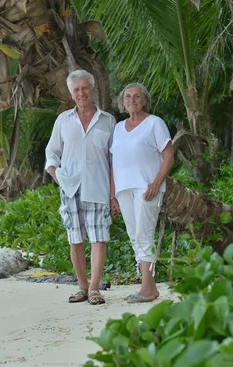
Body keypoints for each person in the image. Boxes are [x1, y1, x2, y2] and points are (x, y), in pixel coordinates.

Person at [45, 70, 116, 305]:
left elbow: (114, 160)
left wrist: (113, 195)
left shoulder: (108, 120)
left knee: (99, 238)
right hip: (71, 187)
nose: (81, 93)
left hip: (98, 186)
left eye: (85, 88)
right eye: (76, 90)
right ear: (71, 93)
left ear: (92, 89)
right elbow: (51, 152)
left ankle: (95, 288)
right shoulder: (63, 120)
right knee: (75, 238)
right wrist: (56, 174)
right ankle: (82, 287)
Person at [109, 83, 174, 303]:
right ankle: (150, 287)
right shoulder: (118, 128)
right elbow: (113, 163)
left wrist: (156, 184)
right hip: (123, 189)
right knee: (134, 235)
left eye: (137, 96)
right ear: (122, 101)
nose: (132, 100)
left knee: (144, 235)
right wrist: (113, 195)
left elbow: (168, 156)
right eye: (128, 96)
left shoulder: (154, 123)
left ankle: (147, 289)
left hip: (146, 188)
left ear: (144, 100)